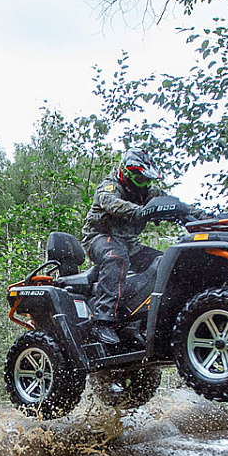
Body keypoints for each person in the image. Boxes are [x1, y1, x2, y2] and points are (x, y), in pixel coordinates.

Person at [81, 148, 165, 347]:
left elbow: (175, 205)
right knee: (116, 258)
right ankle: (102, 320)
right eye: (139, 179)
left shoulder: (150, 193)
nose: (144, 185)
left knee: (166, 262)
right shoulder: (109, 187)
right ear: (126, 174)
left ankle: (143, 316)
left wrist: (204, 218)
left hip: (129, 244)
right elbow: (115, 205)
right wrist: (145, 211)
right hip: (99, 238)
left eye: (147, 180)